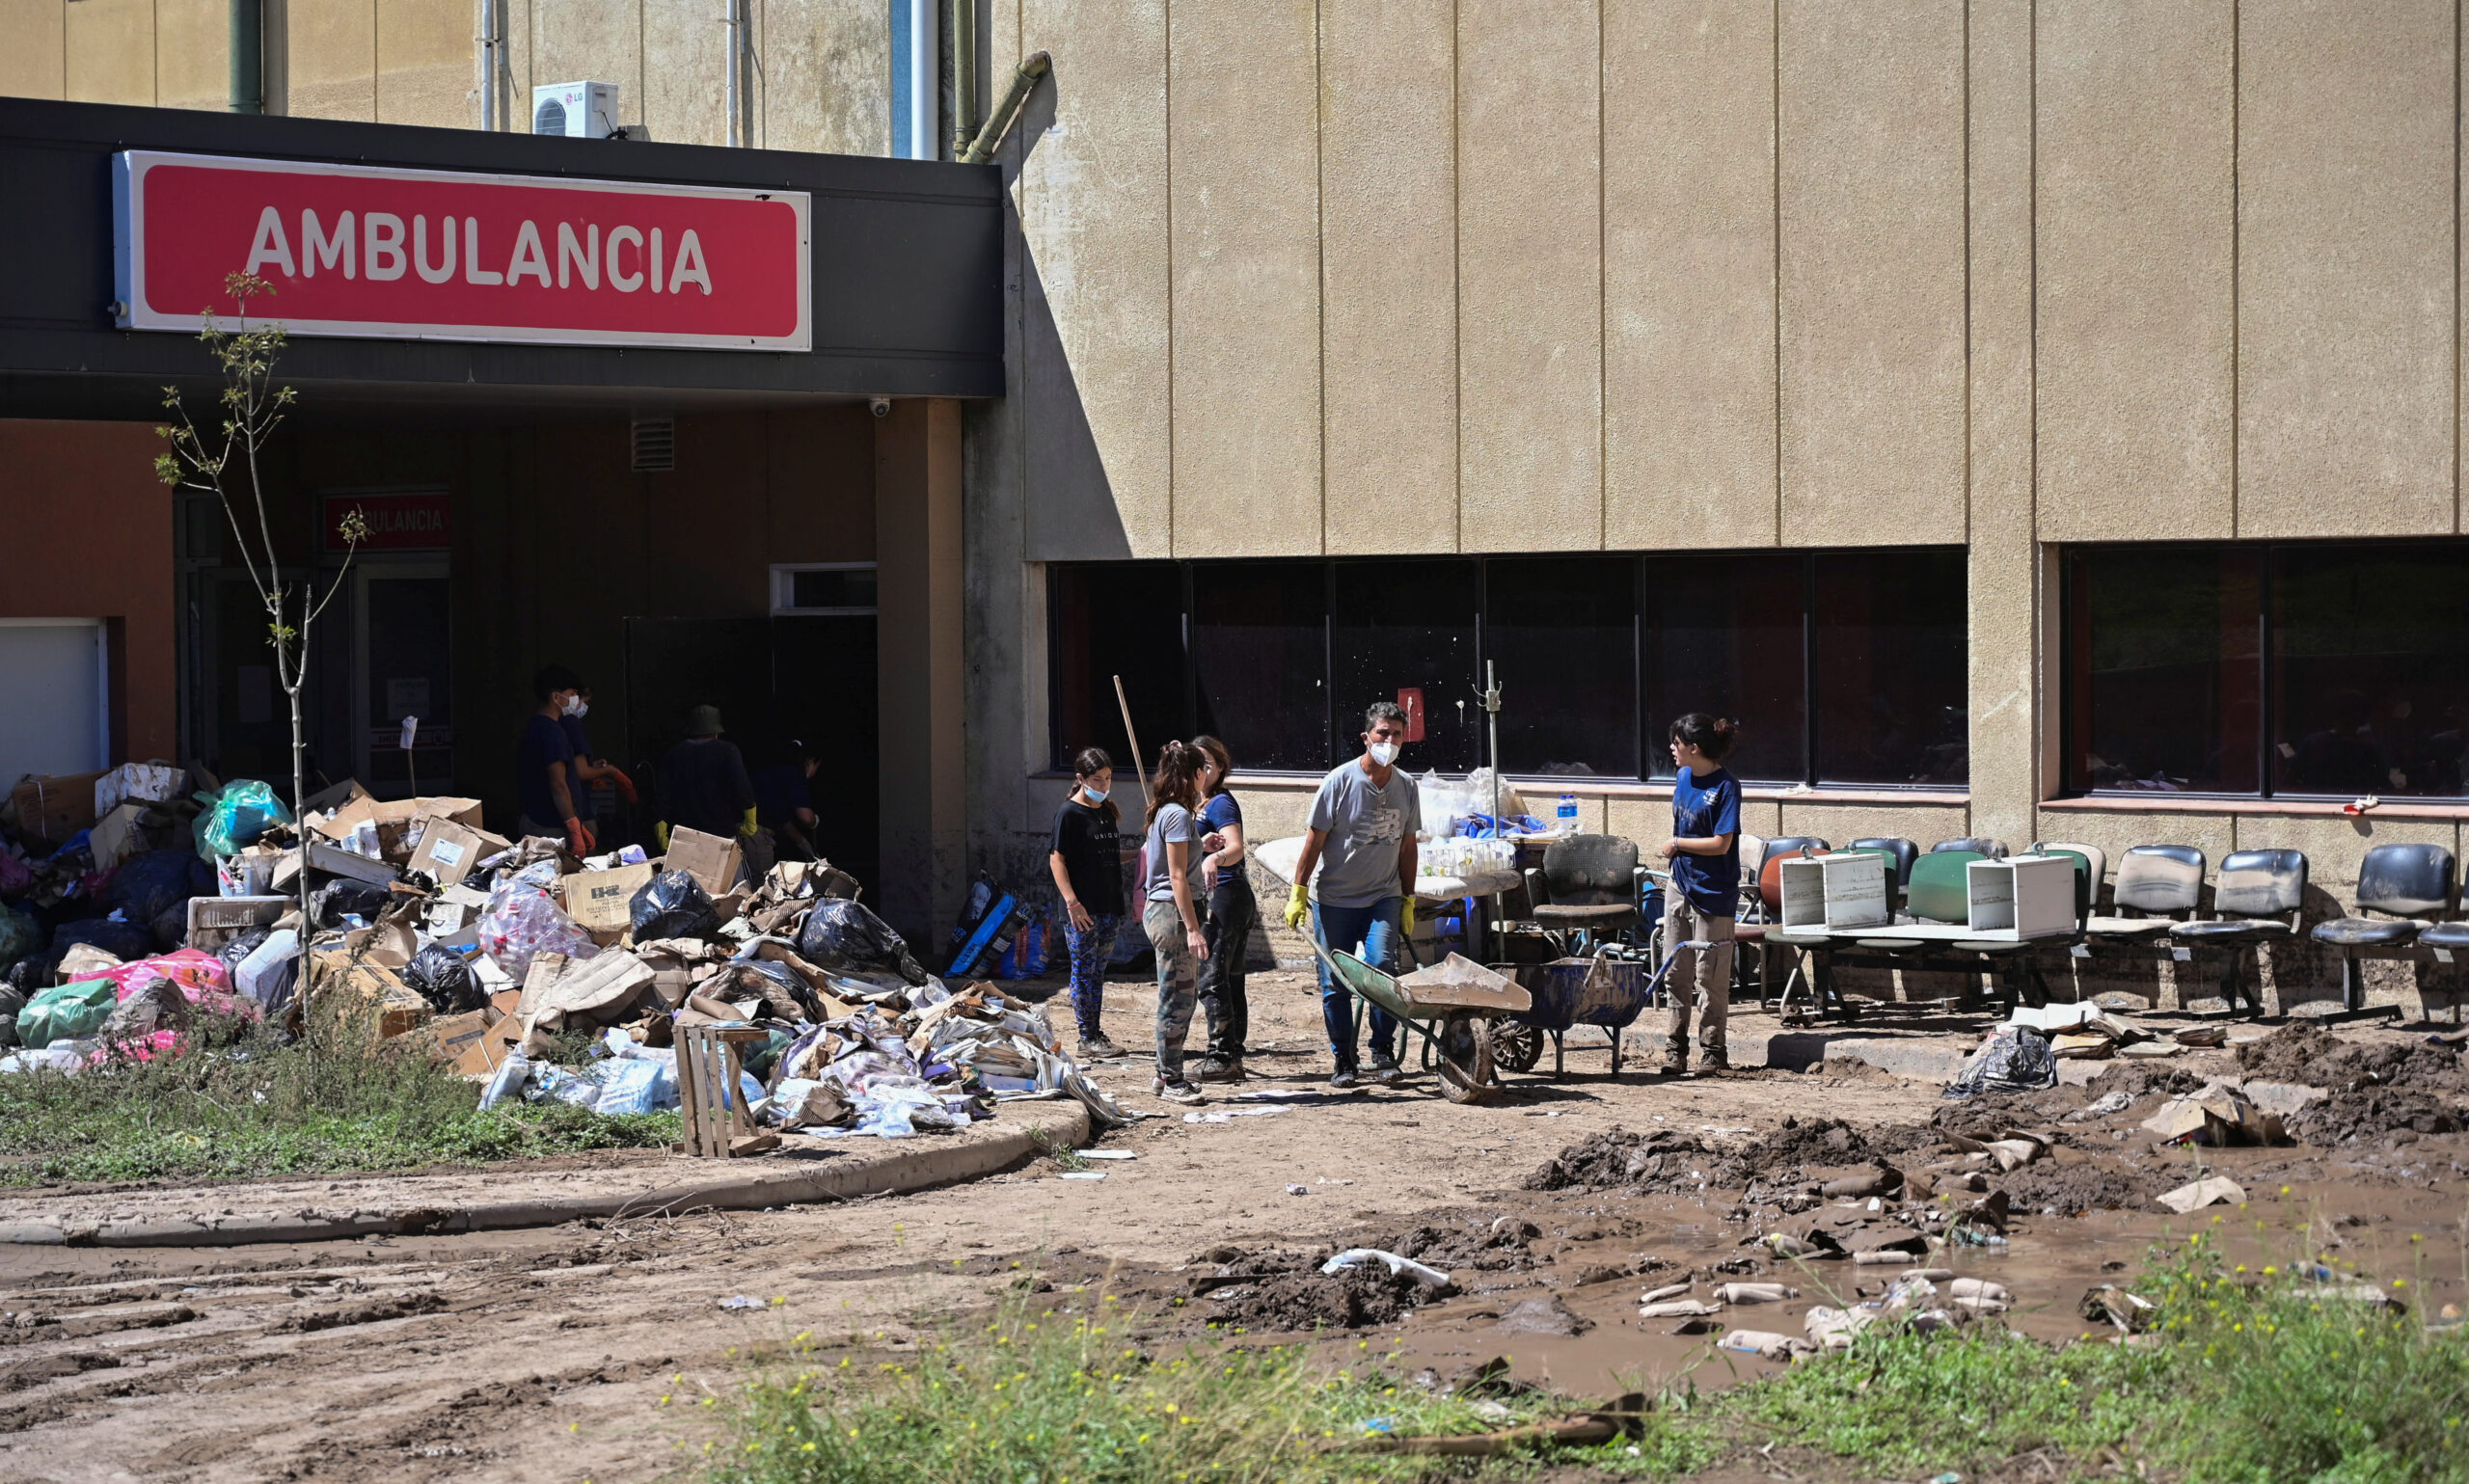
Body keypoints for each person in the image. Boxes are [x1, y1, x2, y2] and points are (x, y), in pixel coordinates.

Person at [1283, 701, 1420, 1089]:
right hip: (1335, 900)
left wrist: (1407, 898)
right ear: (1366, 737)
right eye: (1382, 733)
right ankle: (1343, 1057)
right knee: (1335, 982)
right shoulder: (1339, 782)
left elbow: (1408, 848)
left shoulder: (1407, 787)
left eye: (1396, 734)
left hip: (1383, 896)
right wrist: (1298, 892)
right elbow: (1314, 842)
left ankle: (1383, 1050)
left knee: (1382, 970)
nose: (1389, 741)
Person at [1658, 713, 1742, 1075]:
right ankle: (1675, 1049)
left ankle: (1713, 1050)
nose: (1672, 750)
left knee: (1711, 976)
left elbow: (1722, 844)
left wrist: (1678, 844)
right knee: (1676, 971)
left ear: (1694, 748)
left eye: (1677, 744)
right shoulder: (1682, 777)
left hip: (1715, 892)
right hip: (1680, 885)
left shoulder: (1726, 787)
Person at [1140, 741, 1212, 1105]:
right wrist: (1194, 929)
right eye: (1206, 770)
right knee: (1178, 1000)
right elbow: (1177, 877)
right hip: (1173, 915)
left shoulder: (1167, 812)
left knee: (1178, 995)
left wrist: (1205, 846)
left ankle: (1162, 1072)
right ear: (1195, 774)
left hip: (1165, 911)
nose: (1207, 778)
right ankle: (1172, 1078)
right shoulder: (1178, 815)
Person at [1046, 746, 1126, 1062]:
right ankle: (1087, 1036)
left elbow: (1104, 855)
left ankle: (1095, 1033)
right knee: (1083, 972)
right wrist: (1072, 903)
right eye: (1097, 779)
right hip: (1082, 910)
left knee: (1097, 973)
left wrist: (1141, 856)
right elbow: (1057, 860)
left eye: (1108, 778)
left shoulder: (1106, 811)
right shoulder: (1069, 814)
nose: (1104, 785)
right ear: (1080, 778)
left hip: (1109, 905)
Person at [1190, 734, 1253, 1082]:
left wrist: (1214, 857)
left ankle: (1222, 1055)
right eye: (1197, 763)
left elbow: (1237, 846)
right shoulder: (1199, 804)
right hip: (1230, 897)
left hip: (1226, 896)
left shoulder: (1220, 804)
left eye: (1209, 763)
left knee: (1213, 976)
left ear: (1220, 767)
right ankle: (1233, 1050)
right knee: (1231, 977)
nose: (1203, 769)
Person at [656, 705, 757, 859]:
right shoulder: (728, 751)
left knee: (688, 882)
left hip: (685, 839)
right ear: (716, 732)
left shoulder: (674, 754)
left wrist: (662, 835)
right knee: (730, 882)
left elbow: (663, 796)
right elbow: (742, 788)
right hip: (722, 838)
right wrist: (750, 824)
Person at [517, 664, 594, 857]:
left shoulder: (534, 727)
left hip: (535, 821)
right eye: (572, 694)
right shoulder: (552, 732)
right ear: (556, 697)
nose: (574, 700)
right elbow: (558, 784)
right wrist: (575, 829)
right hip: (551, 830)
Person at [558, 686, 636, 846]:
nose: (584, 706)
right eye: (584, 700)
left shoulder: (558, 724)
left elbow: (572, 766)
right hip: (577, 811)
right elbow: (581, 772)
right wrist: (610, 771)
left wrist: (594, 767)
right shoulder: (570, 723)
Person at [754, 740, 823, 861]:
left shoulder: (776, 775)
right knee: (759, 878)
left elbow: (786, 824)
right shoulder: (796, 776)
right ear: (811, 762)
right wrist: (814, 820)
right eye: (817, 767)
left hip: (743, 830)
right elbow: (806, 818)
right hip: (756, 834)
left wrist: (806, 846)